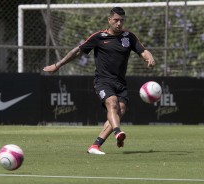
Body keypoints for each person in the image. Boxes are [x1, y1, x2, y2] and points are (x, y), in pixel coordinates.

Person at [43, 7, 155, 155]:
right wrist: (57, 65)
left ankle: (95, 146)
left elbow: (142, 50)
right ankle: (117, 132)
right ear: (109, 20)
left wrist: (149, 57)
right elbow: (77, 51)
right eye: (116, 20)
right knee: (112, 104)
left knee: (120, 111)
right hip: (103, 81)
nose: (119, 23)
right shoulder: (99, 37)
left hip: (120, 83)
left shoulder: (129, 37)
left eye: (121, 20)